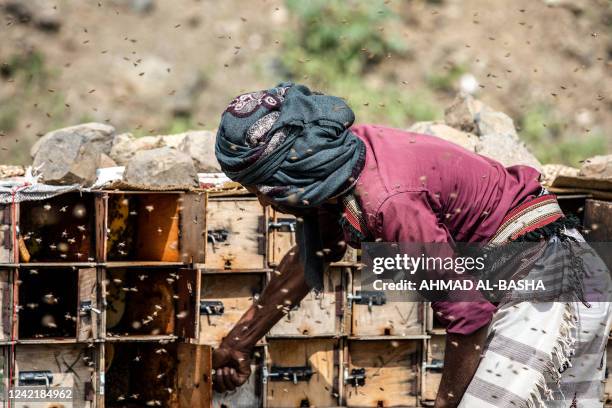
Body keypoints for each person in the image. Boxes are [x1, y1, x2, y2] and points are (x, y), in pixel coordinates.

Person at [212, 83, 612, 407]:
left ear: (295, 172)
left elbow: (468, 317)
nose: (265, 202)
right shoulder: (340, 161)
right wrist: (238, 342)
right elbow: (315, 255)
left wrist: (444, 404)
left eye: (264, 190)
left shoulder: (388, 201)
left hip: (551, 290)